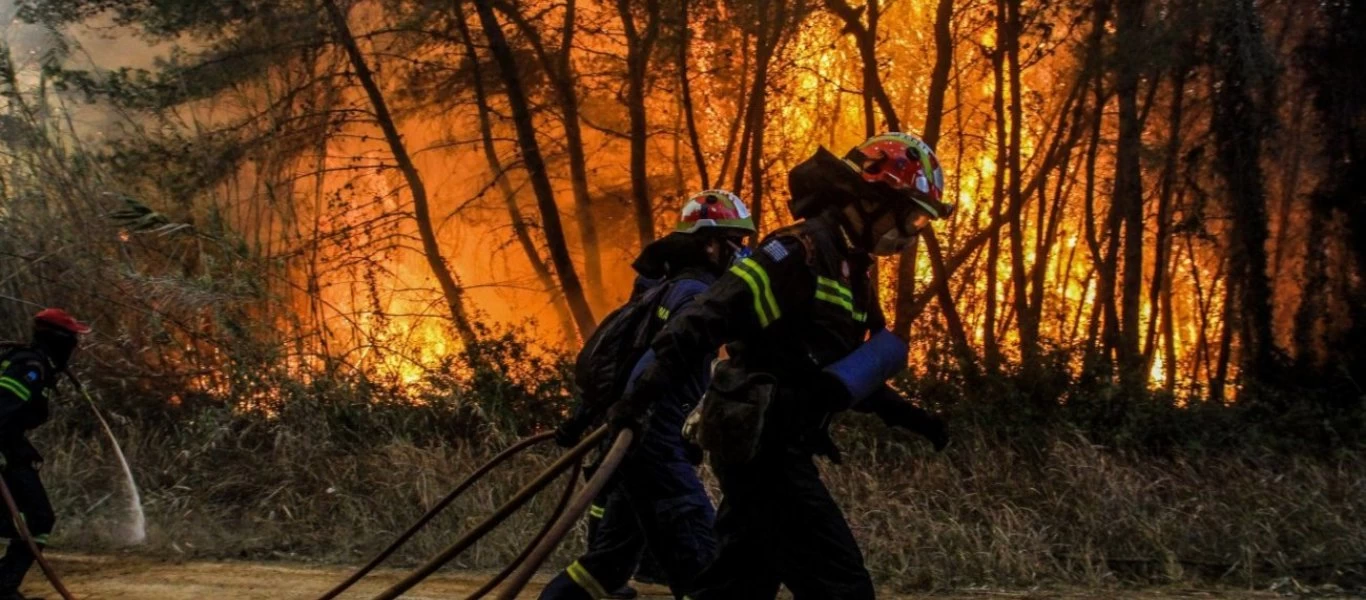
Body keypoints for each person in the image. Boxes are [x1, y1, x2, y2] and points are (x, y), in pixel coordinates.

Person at [611, 132, 952, 600]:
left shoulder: (853, 270)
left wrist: (914, 418)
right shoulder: (797, 252)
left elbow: (843, 371)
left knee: (736, 588)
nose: (911, 232)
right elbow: (703, 319)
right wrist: (640, 398)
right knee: (842, 587)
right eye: (913, 215)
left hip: (773, 446)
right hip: (764, 450)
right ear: (872, 199)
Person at [542, 190, 757, 600]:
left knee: (610, 563)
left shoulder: (663, 288)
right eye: (736, 241)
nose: (742, 252)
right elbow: (654, 363)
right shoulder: (697, 297)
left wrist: (586, 417)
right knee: (704, 561)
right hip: (652, 443)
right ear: (710, 243)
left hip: (637, 440)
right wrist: (637, 412)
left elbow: (623, 364)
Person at [0, 308, 90, 600]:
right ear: (59, 339)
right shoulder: (30, 367)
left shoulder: (35, 364)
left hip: (10, 446)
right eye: (73, 338)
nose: (75, 346)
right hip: (4, 450)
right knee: (38, 518)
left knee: (28, 519)